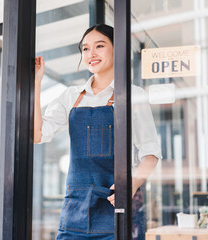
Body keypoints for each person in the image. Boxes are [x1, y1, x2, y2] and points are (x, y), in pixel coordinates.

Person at [34, 24, 162, 240]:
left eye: (99, 46)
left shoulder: (133, 96)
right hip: (75, 210)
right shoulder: (71, 96)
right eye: (85, 49)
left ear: (117, 49)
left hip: (115, 210)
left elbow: (150, 153)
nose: (91, 54)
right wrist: (36, 84)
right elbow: (38, 134)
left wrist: (131, 184)